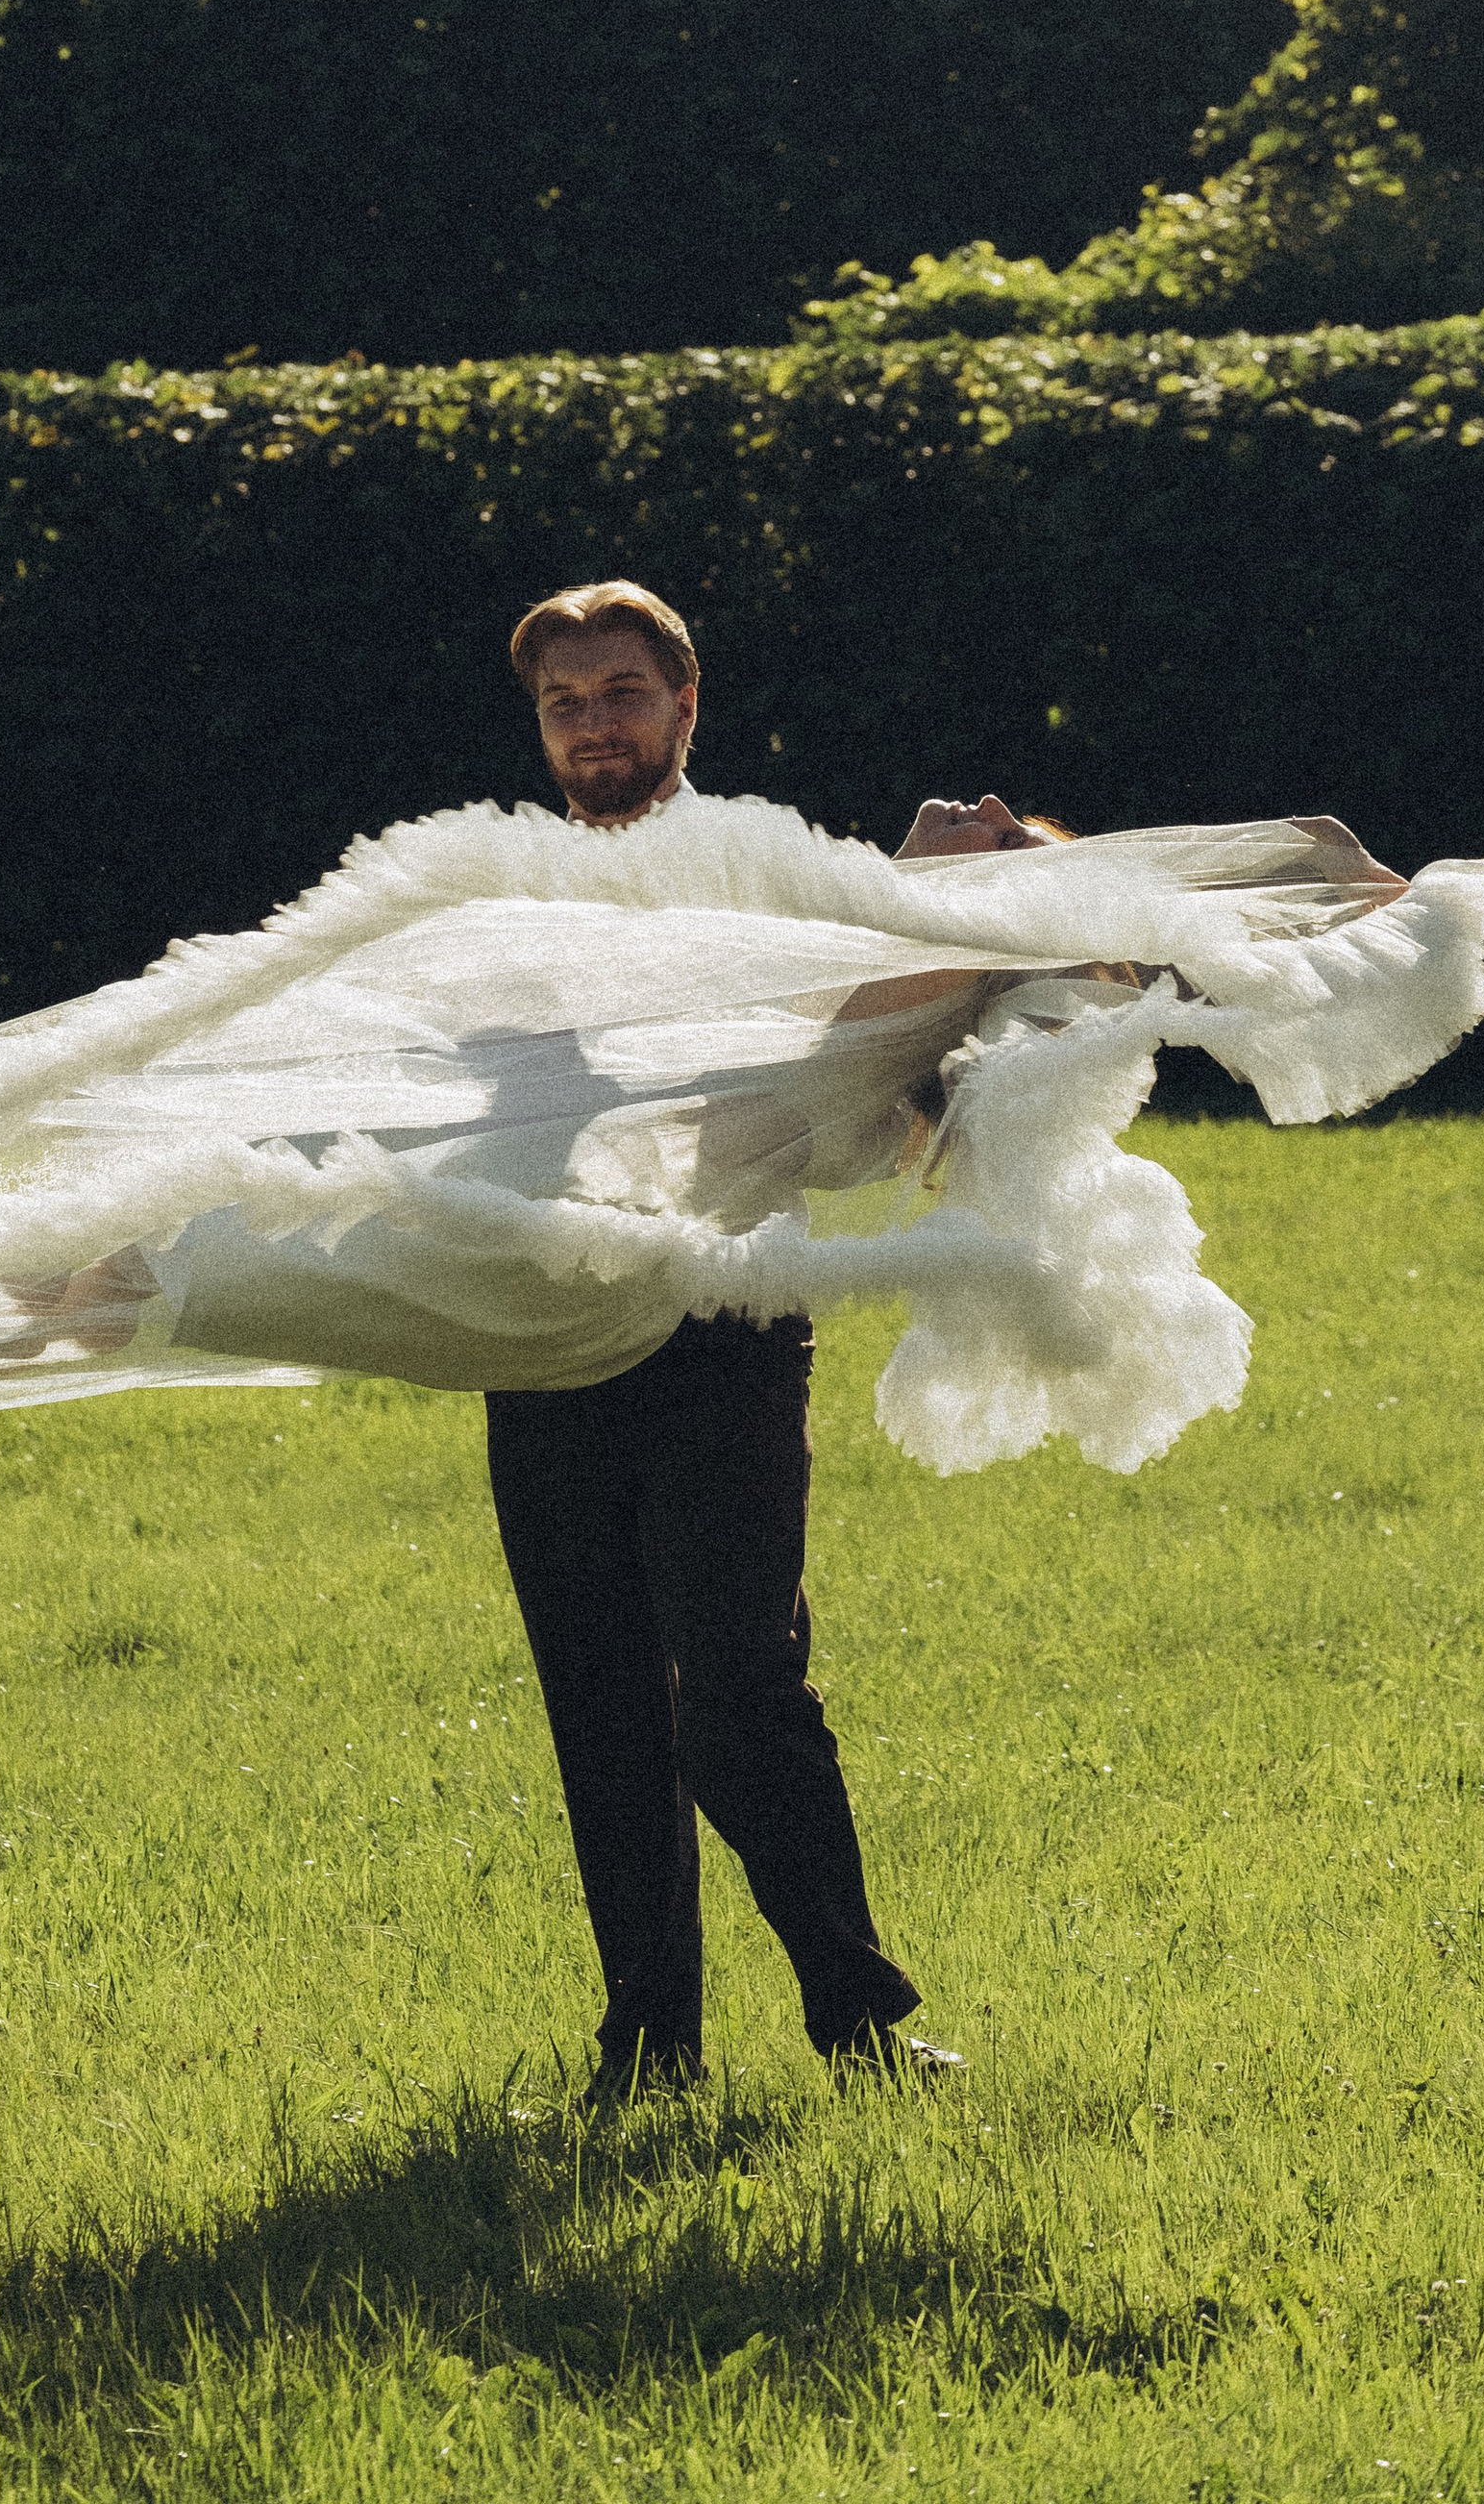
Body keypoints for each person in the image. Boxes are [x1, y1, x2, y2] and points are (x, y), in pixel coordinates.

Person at [489, 578, 983, 2095]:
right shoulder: (498, 906)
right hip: (549, 1343)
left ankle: (861, 2024)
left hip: (728, 1332)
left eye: (621, 693)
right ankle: (648, 2050)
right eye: (566, 703)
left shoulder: (769, 875)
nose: (594, 726)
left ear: (686, 706)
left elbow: (866, 1062)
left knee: (741, 1692)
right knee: (602, 1707)